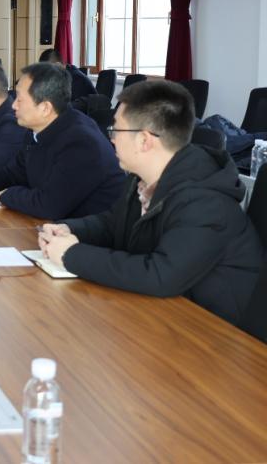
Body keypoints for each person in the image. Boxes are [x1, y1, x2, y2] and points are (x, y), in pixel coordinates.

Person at [37, 80, 263, 327]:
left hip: (213, 332)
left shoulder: (205, 201)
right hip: (162, 314)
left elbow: (160, 275)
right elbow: (112, 224)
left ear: (144, 141)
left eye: (116, 130)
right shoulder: (142, 178)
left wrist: (72, 255)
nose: (111, 139)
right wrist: (69, 229)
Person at [0, 62, 123, 220]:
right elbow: (12, 173)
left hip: (87, 237)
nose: (13, 105)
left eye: (20, 99)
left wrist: (5, 195)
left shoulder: (81, 142)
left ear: (45, 107)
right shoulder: (36, 130)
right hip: (53, 228)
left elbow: (49, 205)